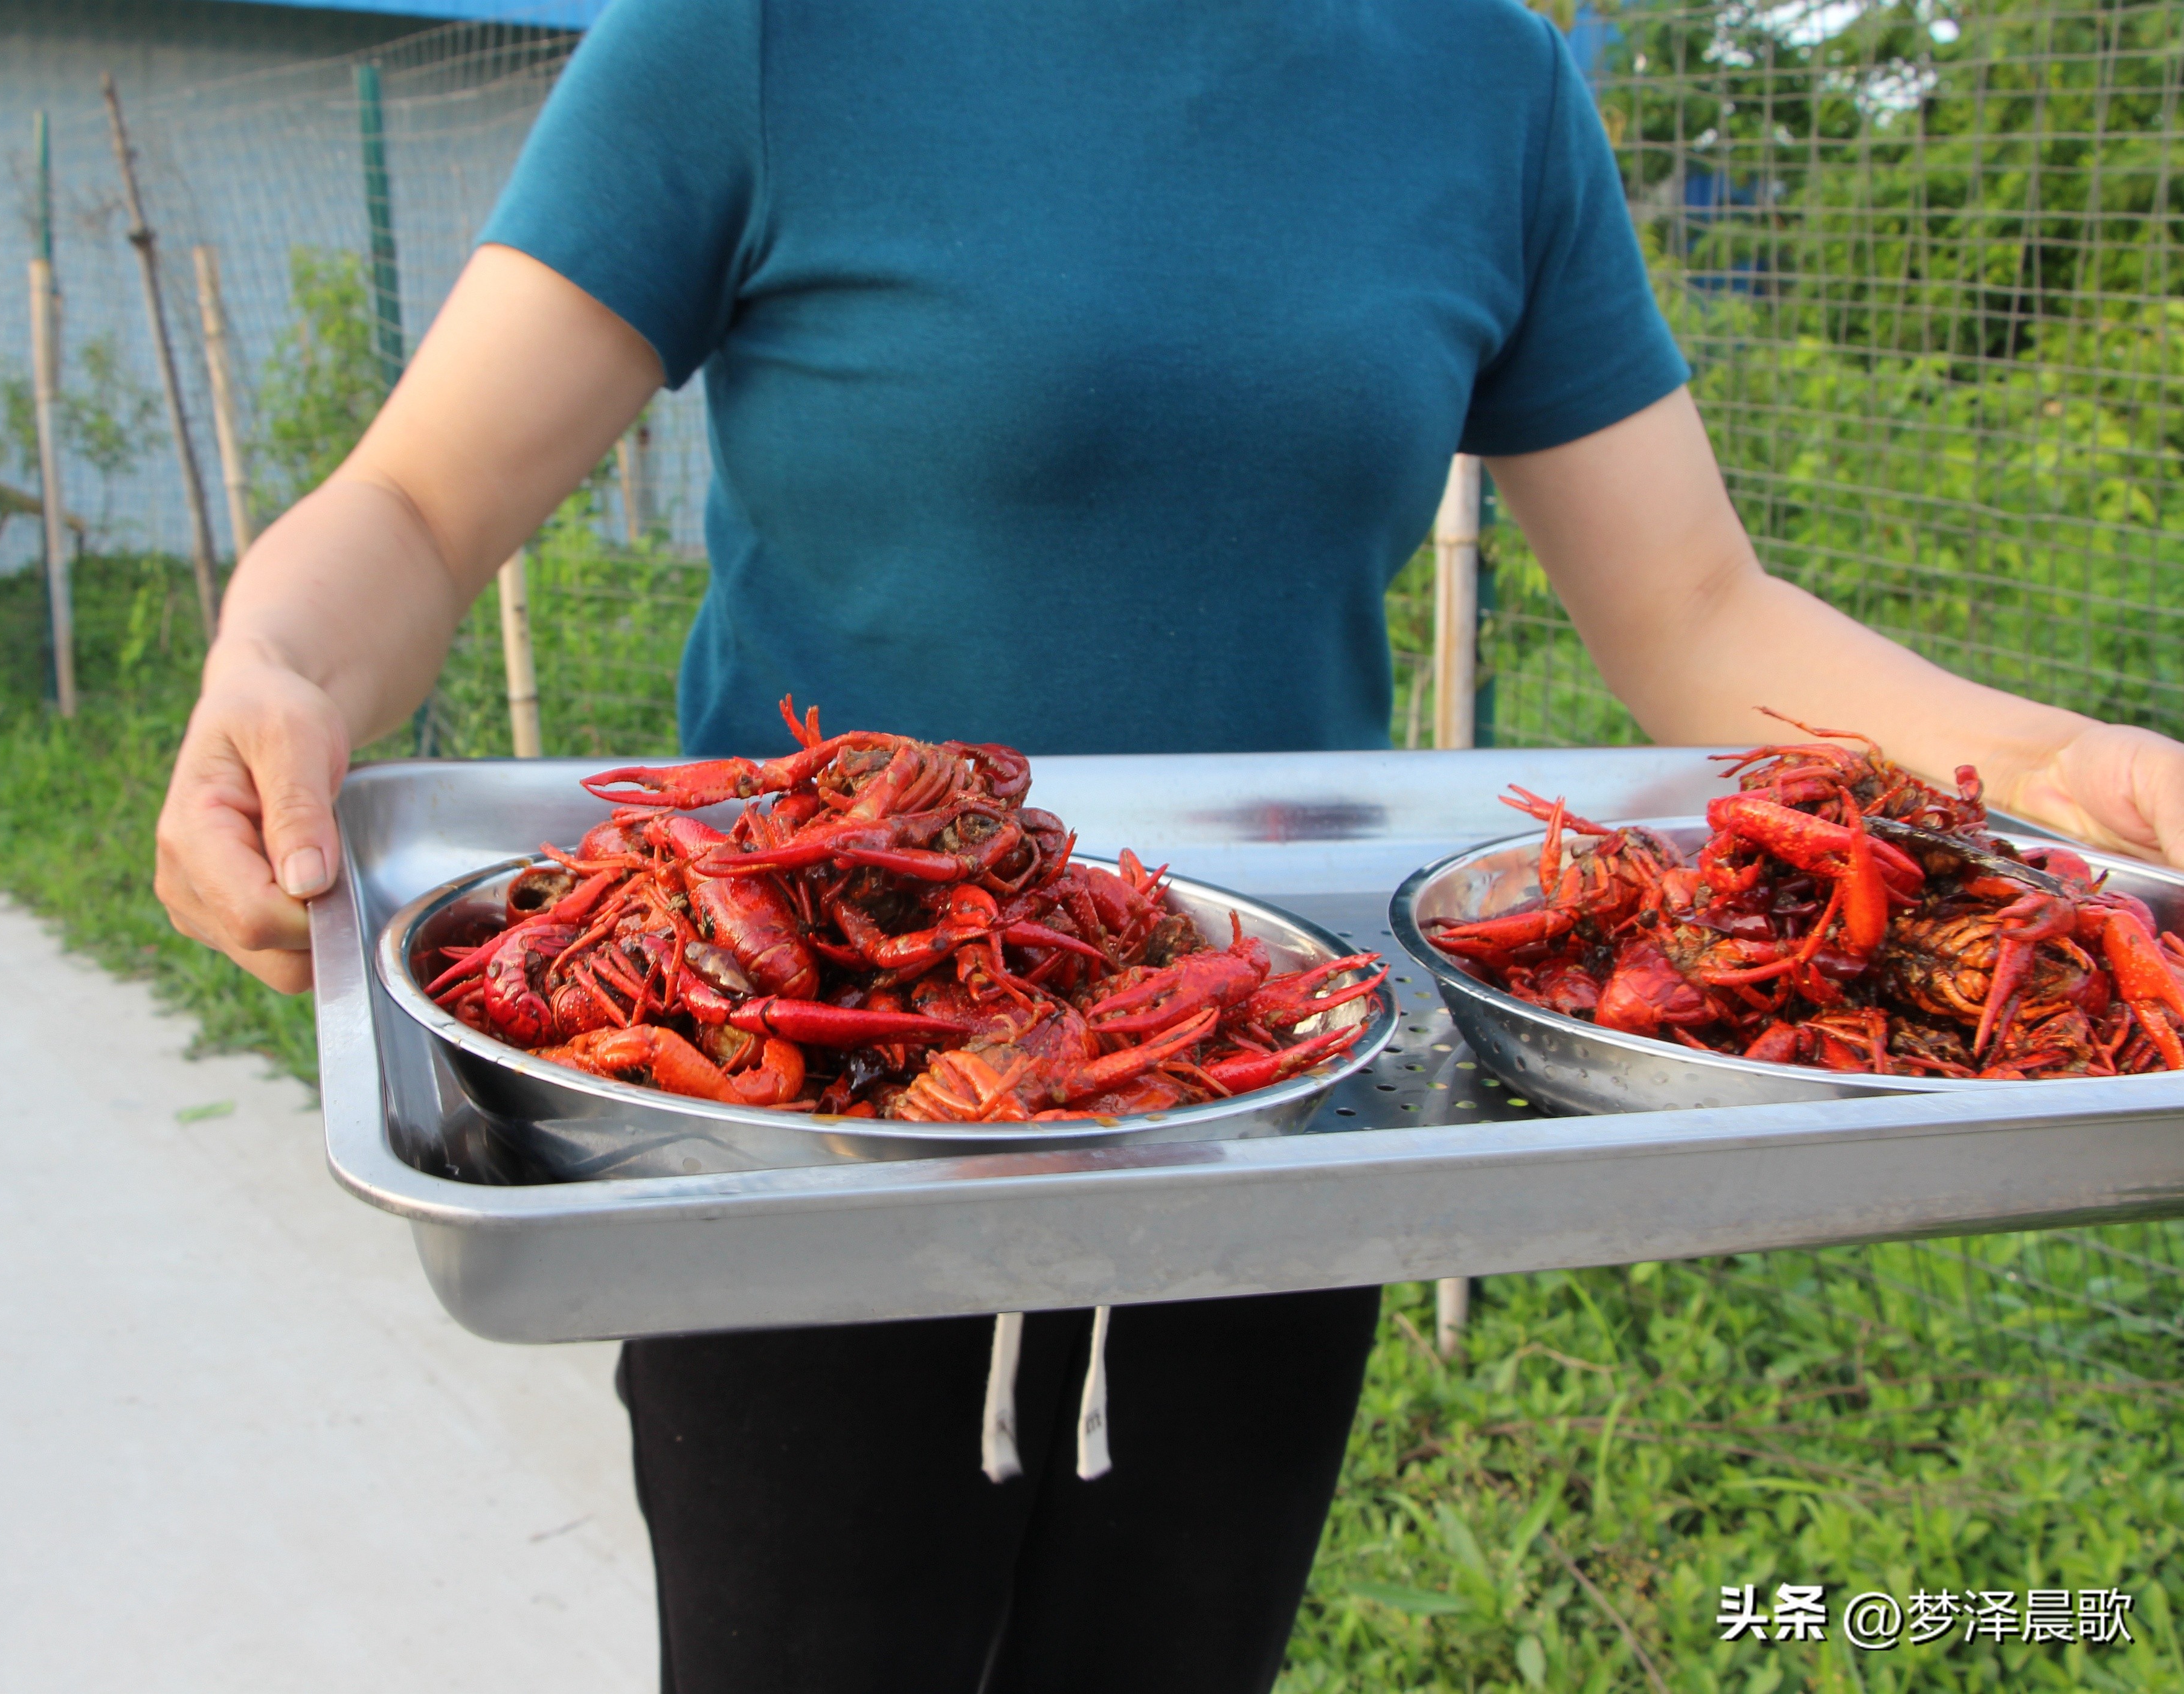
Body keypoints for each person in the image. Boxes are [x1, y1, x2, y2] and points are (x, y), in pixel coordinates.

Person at [155, 1, 2184, 1689]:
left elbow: (1697, 615)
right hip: (783, 1146)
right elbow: (419, 505)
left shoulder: (1486, 78)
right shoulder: (760, 36)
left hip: (1269, 1116)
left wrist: (2077, 766)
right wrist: (279, 667)